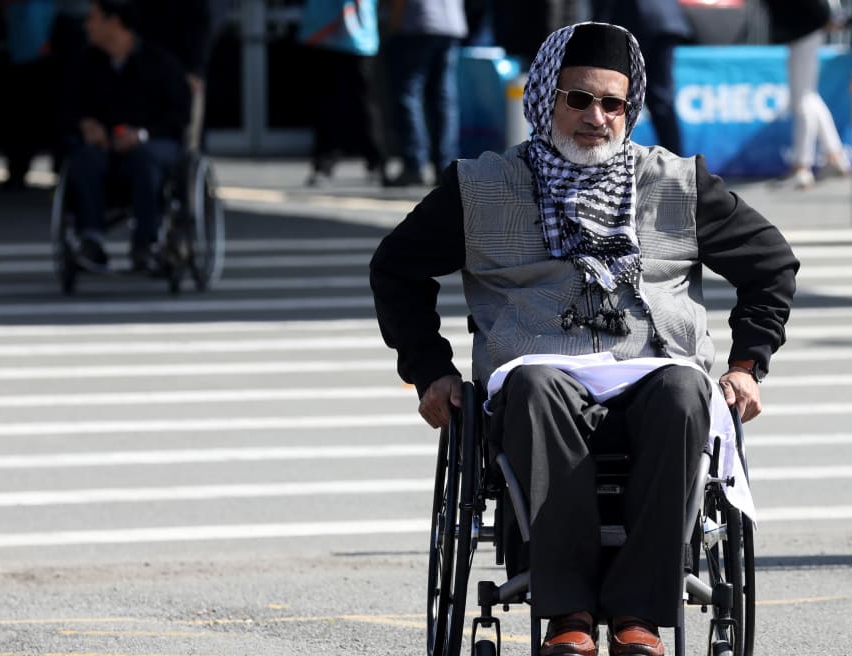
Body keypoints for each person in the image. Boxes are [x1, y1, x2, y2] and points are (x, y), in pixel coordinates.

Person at [370, 22, 798, 656]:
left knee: (687, 390)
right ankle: (566, 613)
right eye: (578, 99)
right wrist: (429, 369)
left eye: (612, 103)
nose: (595, 117)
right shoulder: (481, 187)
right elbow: (395, 267)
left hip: (654, 369)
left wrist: (745, 365)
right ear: (546, 99)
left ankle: (639, 619)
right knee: (538, 386)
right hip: (537, 377)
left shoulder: (675, 182)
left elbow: (772, 265)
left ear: (630, 109)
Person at [66, 0, 191, 272]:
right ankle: (92, 238)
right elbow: (70, 107)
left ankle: (147, 241)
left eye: (93, 18)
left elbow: (179, 117)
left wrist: (142, 135)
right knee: (83, 158)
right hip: (106, 148)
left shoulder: (160, 63)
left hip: (152, 145)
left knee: (145, 159)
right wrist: (87, 124)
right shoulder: (88, 63)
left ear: (114, 22)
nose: (87, 25)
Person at [763, 0, 852, 189]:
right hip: (806, 28)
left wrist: (827, 17)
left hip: (805, 29)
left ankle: (801, 167)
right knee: (808, 96)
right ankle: (834, 155)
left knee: (801, 100)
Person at [298, 0, 388, 187]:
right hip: (327, 34)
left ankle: (375, 161)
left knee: (363, 103)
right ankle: (325, 162)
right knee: (328, 103)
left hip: (356, 36)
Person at [383, 0, 467, 187]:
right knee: (444, 99)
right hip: (450, 23)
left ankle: (415, 163)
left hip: (416, 23)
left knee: (408, 95)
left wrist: (393, 25)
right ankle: (445, 165)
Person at [592, 0, 691, 155]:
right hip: (665, 20)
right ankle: (677, 163)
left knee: (618, 95)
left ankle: (610, 161)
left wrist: (595, 33)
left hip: (635, 21)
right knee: (661, 99)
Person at [137, 0, 212, 150]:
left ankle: (191, 160)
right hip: (150, 62)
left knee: (189, 132)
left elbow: (200, 26)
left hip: (183, 67)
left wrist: (194, 69)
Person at [0, 0, 58, 191]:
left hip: (36, 59)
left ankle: (21, 170)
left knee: (30, 118)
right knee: (21, 119)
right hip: (25, 59)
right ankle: (17, 170)